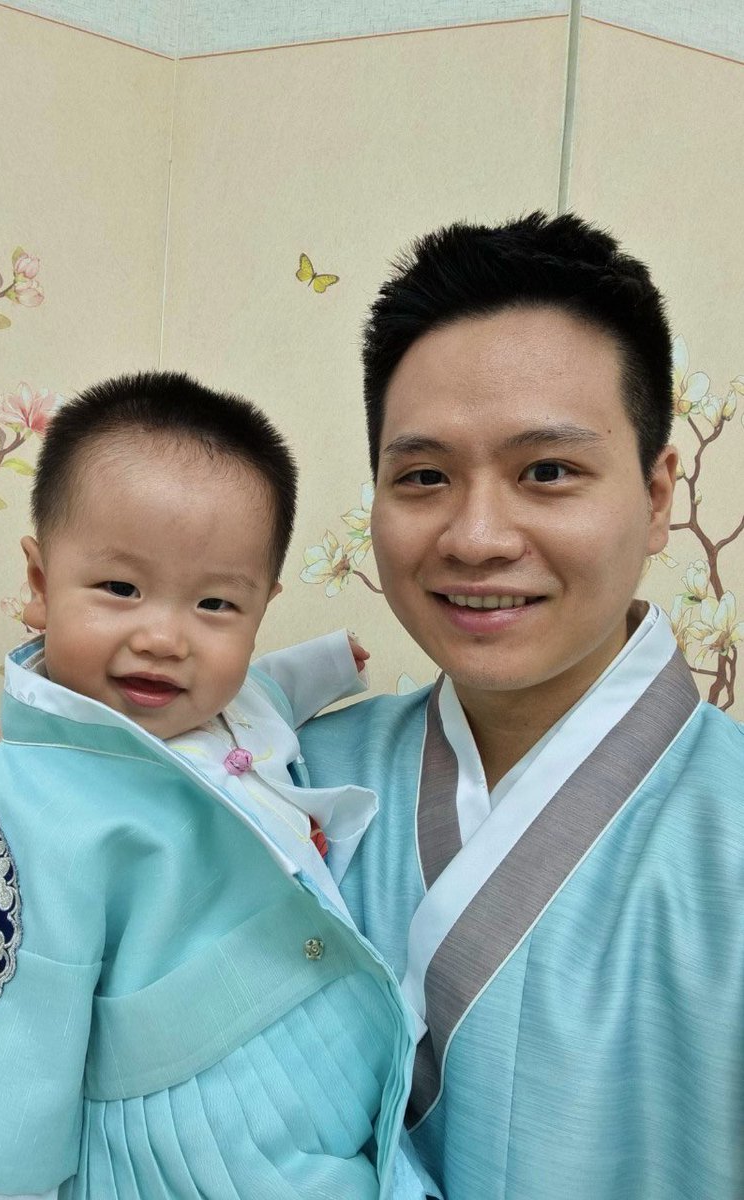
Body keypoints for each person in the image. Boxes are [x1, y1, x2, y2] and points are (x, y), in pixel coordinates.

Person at [0, 373, 430, 1200]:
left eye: (217, 603)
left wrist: (324, 667)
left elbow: (253, 700)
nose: (164, 636)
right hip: (186, 1141)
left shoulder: (204, 708)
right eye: (120, 589)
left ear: (261, 607)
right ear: (41, 584)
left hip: (323, 1084)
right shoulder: (28, 802)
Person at [300, 212, 744, 1199]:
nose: (478, 536)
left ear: (659, 491)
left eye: (547, 472)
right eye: (423, 477)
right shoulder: (285, 783)